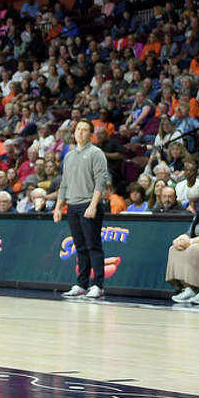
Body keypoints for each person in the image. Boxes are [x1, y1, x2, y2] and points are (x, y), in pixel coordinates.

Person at [55, 119, 111, 299]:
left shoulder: (96, 153)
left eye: (85, 129)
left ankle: (98, 285)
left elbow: (101, 180)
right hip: (72, 205)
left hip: (89, 204)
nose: (80, 132)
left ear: (90, 134)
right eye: (78, 129)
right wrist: (58, 207)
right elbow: (64, 183)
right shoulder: (69, 155)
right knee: (80, 247)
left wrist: (94, 205)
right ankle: (81, 284)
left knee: (93, 245)